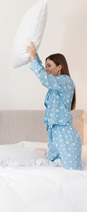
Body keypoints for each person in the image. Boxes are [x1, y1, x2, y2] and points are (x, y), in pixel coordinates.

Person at [26, 42, 82, 170]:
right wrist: (34, 56)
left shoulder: (66, 81)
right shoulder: (54, 88)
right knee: (52, 169)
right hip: (54, 132)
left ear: (59, 67)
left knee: (72, 173)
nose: (46, 69)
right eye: (45, 66)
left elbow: (44, 78)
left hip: (65, 133)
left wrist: (34, 59)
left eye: (49, 66)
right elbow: (44, 75)